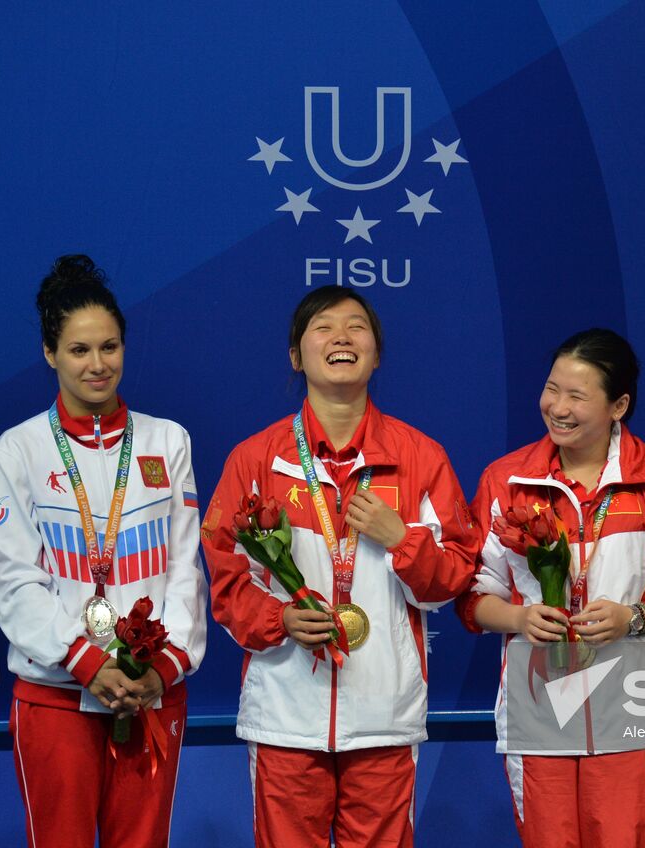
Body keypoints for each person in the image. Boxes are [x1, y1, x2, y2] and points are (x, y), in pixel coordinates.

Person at [201, 287, 477, 848]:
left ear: (376, 355)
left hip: (383, 714)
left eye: (357, 326)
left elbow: (454, 577)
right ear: (296, 356)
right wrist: (280, 618)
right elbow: (227, 581)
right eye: (323, 327)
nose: (342, 337)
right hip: (285, 713)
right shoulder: (255, 459)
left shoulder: (421, 457)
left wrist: (402, 540)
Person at [456, 328, 645, 847]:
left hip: (629, 711)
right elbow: (473, 597)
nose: (558, 408)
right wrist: (519, 618)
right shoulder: (508, 481)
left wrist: (631, 619)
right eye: (552, 389)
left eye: (577, 395)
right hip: (537, 709)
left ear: (619, 406)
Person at [0, 255, 207, 847]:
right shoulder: (17, 450)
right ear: (49, 353)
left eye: (109, 347)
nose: (98, 364)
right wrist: (86, 661)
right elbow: (14, 580)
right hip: (57, 694)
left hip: (151, 689)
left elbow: (185, 569)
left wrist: (163, 667)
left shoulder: (168, 440)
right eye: (79, 350)